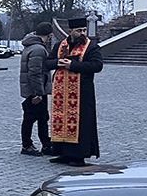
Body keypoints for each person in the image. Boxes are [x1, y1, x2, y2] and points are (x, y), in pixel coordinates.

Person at [48, 18, 103, 166]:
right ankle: (63, 153)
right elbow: (47, 63)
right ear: (70, 31)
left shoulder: (91, 46)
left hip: (82, 92)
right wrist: (57, 63)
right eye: (79, 31)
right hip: (61, 92)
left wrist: (73, 65)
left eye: (84, 30)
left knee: (81, 123)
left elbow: (97, 65)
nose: (82, 33)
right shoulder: (60, 45)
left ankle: (79, 155)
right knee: (61, 120)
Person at [19, 22, 55, 156]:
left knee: (41, 117)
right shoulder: (38, 49)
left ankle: (46, 144)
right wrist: (38, 93)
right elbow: (35, 73)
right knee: (31, 118)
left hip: (34, 88)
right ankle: (27, 145)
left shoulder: (31, 46)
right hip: (36, 90)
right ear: (50, 35)